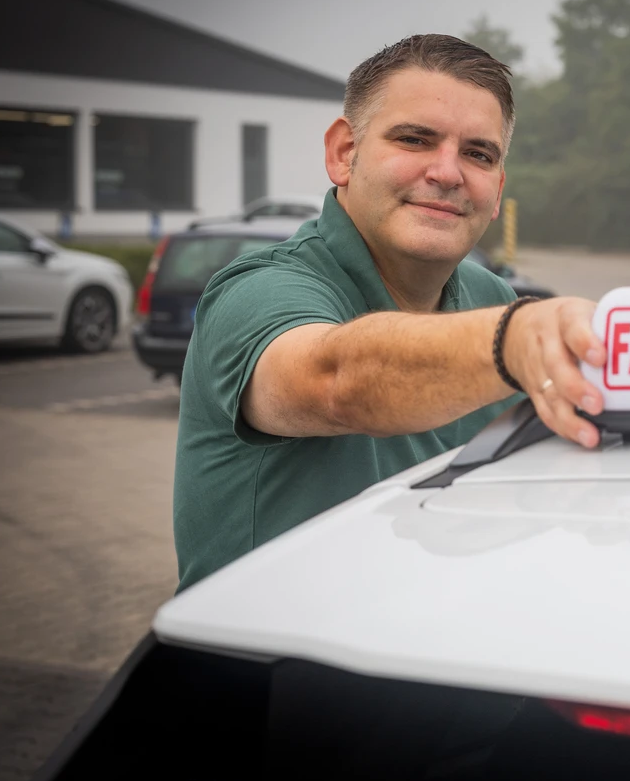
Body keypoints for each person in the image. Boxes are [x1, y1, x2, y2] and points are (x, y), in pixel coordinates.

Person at [172, 34, 604, 589]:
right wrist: (510, 340)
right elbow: (335, 382)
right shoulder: (258, 291)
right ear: (343, 153)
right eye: (415, 139)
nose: (447, 172)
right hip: (264, 667)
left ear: (497, 191)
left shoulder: (491, 298)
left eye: (478, 154)